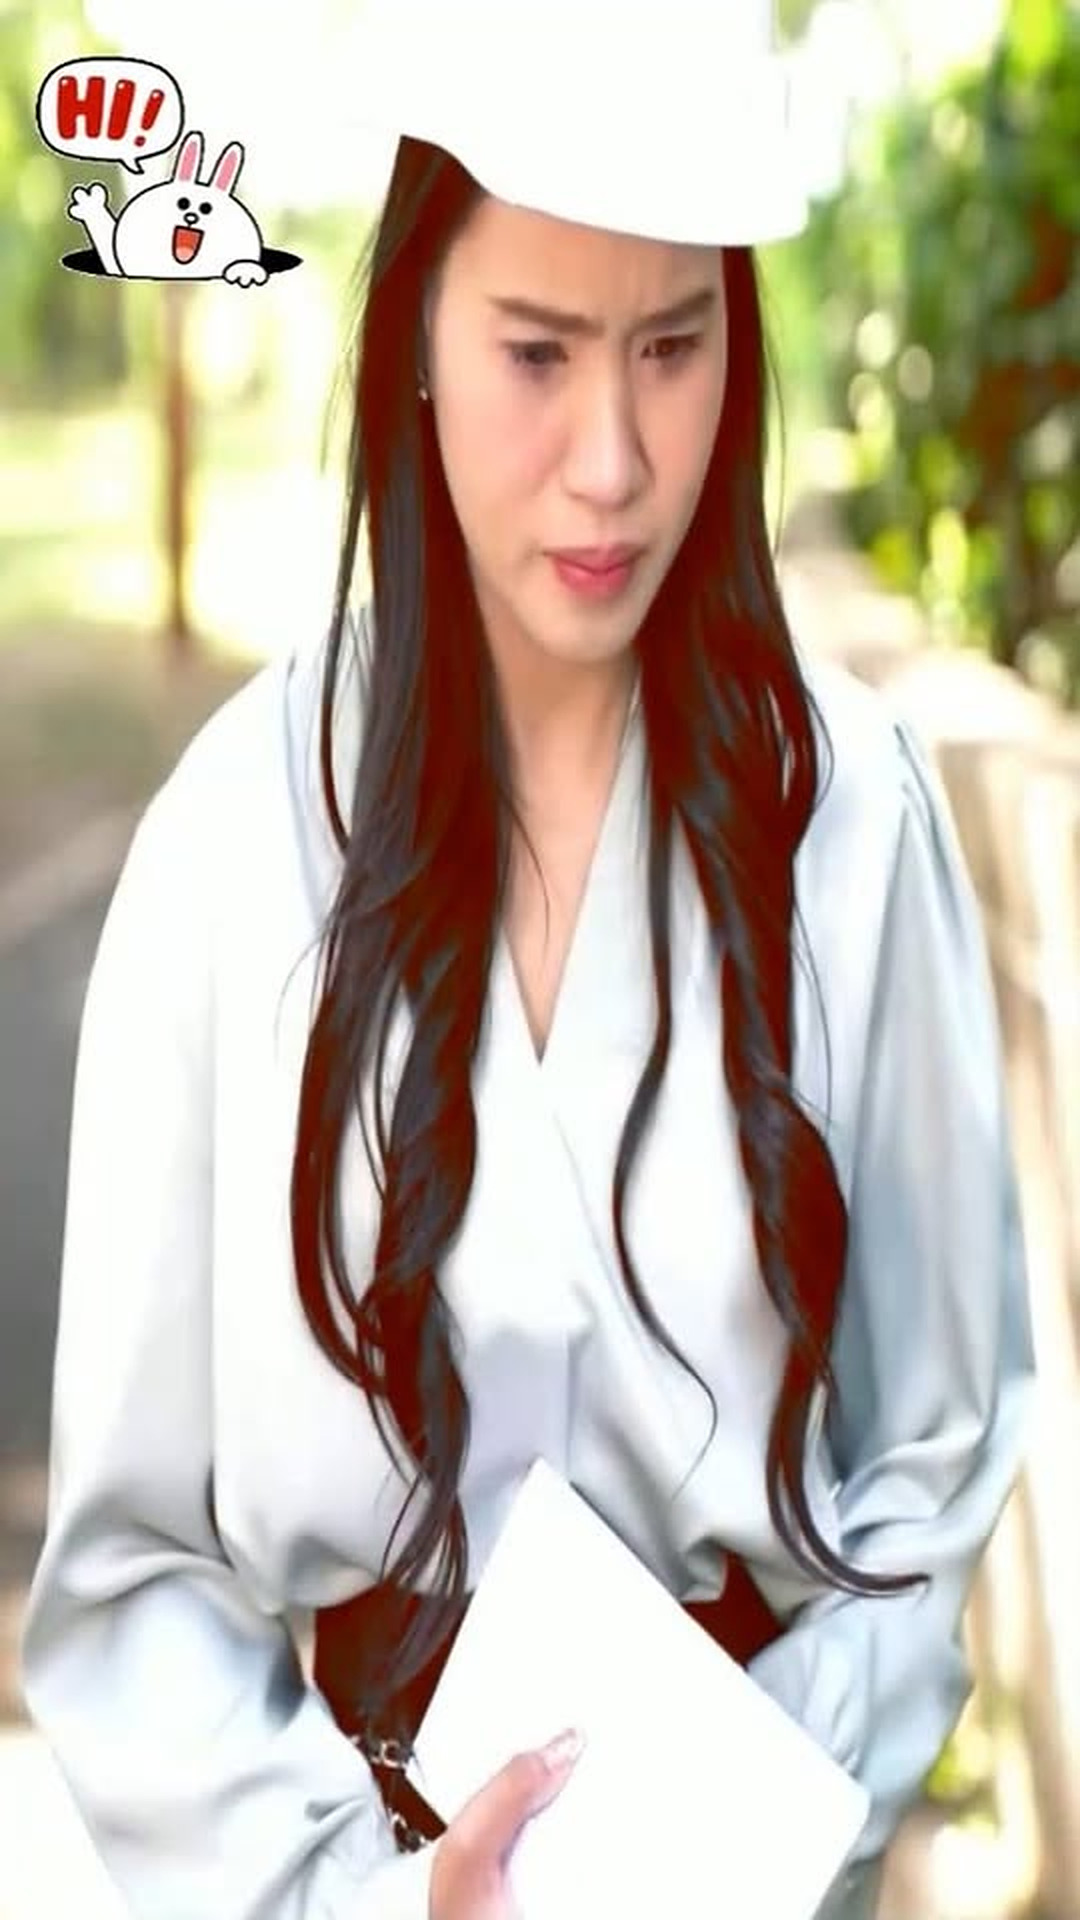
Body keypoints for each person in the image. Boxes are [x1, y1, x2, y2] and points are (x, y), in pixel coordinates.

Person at [20, 2, 1036, 1916]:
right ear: (414, 330)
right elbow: (133, 1575)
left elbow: (940, 1447)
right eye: (538, 354)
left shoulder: (853, 822)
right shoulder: (239, 842)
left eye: (674, 346)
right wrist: (369, 1898)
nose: (614, 462)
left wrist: (717, 1861)